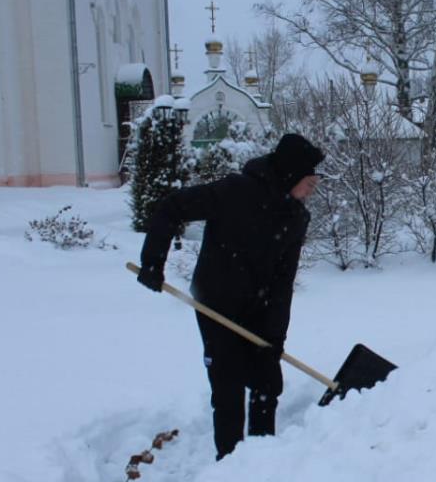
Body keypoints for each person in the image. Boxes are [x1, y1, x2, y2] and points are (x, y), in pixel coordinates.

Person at [136, 134, 325, 460]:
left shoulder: (296, 217)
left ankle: (261, 461)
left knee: (267, 382)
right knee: (228, 386)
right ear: (291, 175)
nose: (312, 190)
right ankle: (229, 466)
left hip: (262, 305)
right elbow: (172, 207)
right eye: (310, 182)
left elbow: (283, 284)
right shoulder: (235, 192)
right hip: (216, 303)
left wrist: (275, 340)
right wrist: (153, 262)